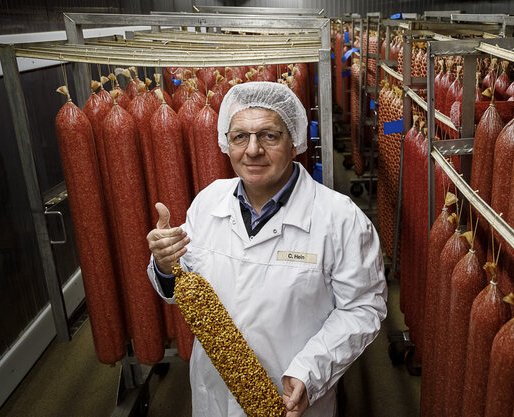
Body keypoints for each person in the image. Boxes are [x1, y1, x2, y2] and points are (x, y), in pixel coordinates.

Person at [146, 81, 387, 417]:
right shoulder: (209, 202)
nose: (253, 150)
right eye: (239, 137)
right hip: (214, 393)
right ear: (225, 143)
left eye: (269, 136)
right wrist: (163, 261)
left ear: (295, 143)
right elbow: (182, 287)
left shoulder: (339, 219)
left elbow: (363, 308)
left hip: (292, 397)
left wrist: (309, 372)